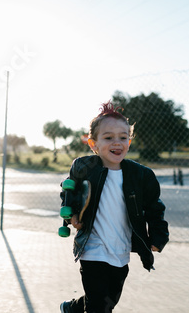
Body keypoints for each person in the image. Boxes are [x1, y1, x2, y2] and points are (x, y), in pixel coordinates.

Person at [60, 101, 169, 313]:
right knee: (99, 307)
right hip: (92, 248)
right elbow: (69, 192)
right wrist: (71, 216)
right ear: (93, 144)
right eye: (108, 138)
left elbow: (154, 208)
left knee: (107, 299)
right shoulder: (85, 168)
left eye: (123, 137)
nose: (117, 142)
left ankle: (73, 308)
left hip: (120, 251)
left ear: (129, 140)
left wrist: (158, 235)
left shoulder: (141, 176)